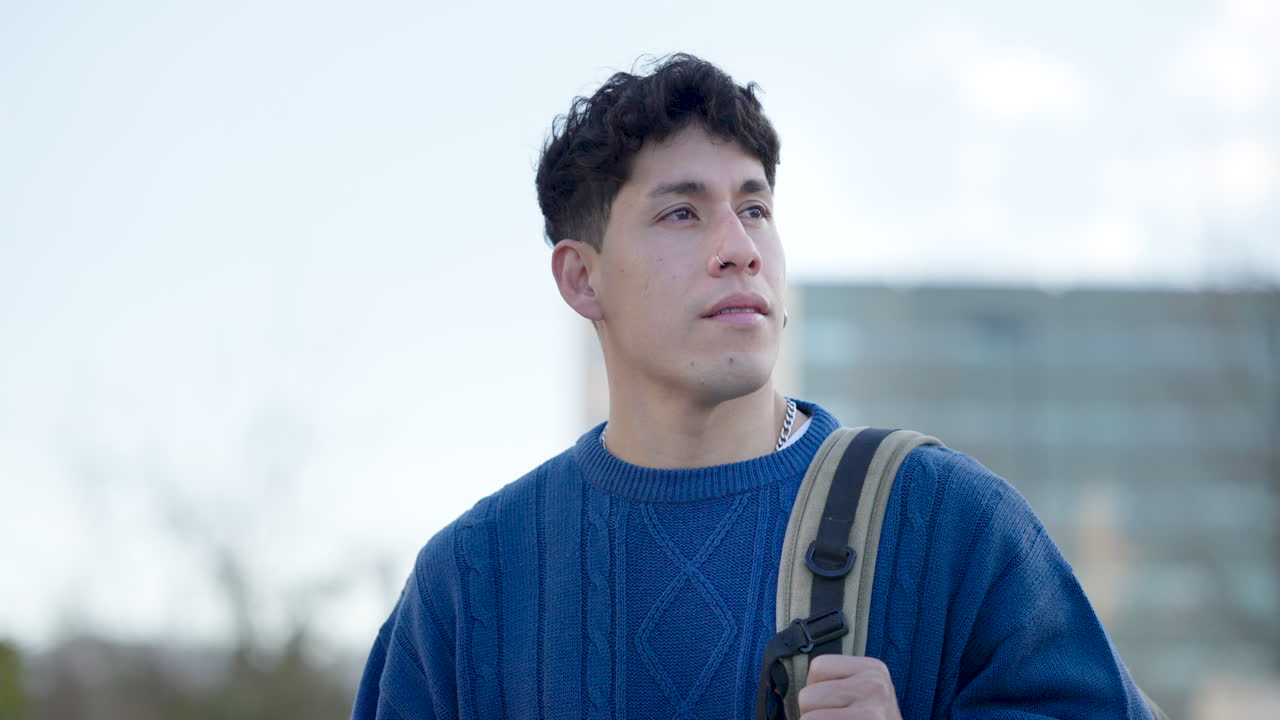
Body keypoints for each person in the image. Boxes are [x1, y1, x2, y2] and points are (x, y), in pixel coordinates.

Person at [351, 54, 1154, 720]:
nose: (739, 248)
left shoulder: (951, 523)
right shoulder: (468, 584)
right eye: (682, 215)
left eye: (755, 208)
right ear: (582, 277)